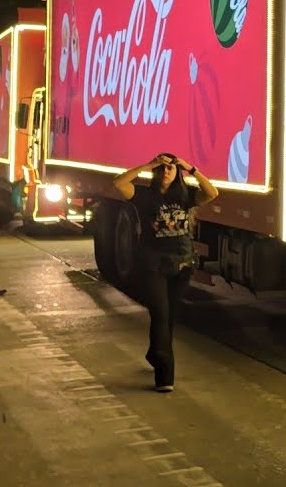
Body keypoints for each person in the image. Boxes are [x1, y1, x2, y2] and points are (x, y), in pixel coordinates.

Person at [112, 153, 218, 392]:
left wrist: (191, 168)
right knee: (160, 314)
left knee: (168, 317)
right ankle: (164, 376)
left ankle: (154, 353)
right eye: (163, 168)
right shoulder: (144, 196)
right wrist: (149, 164)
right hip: (153, 266)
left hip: (181, 266)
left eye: (171, 168)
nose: (167, 171)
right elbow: (119, 183)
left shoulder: (184, 196)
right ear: (156, 172)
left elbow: (212, 193)